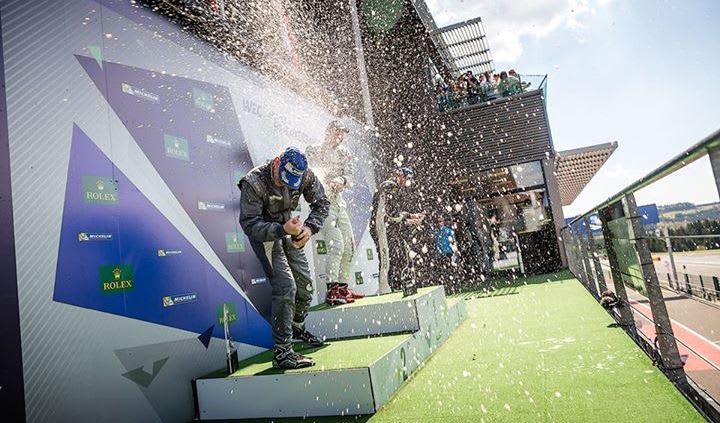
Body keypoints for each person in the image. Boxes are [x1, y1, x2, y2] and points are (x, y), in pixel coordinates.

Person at [238, 147, 330, 369]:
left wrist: (309, 228)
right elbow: (250, 225)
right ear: (277, 162)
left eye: (292, 182)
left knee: (305, 286)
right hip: (266, 236)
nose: (285, 184)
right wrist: (282, 229)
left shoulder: (305, 175)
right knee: (286, 287)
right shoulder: (254, 182)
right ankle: (282, 352)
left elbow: (322, 203)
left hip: (289, 230)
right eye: (283, 179)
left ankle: (297, 329)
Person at [306, 120, 364, 306]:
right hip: (323, 203)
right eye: (337, 132)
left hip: (339, 203)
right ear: (328, 131)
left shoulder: (344, 152)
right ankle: (332, 291)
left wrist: (342, 180)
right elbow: (309, 175)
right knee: (336, 245)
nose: (340, 136)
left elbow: (350, 176)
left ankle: (343, 288)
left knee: (349, 247)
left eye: (342, 133)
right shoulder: (313, 149)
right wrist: (326, 181)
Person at [369, 167, 424, 294]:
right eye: (407, 178)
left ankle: (395, 284)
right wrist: (408, 217)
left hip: (388, 228)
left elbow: (395, 215)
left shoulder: (395, 188)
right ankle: (385, 289)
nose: (408, 182)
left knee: (399, 254)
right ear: (400, 176)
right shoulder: (389, 186)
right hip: (381, 229)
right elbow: (391, 214)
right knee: (386, 258)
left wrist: (410, 217)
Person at [434, 216, 459, 292]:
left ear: (443, 222)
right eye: (437, 222)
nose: (439, 223)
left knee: (451, 269)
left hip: (449, 252)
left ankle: (454, 285)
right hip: (441, 254)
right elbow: (437, 244)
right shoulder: (437, 233)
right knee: (444, 270)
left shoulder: (448, 231)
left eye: (440, 221)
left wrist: (456, 250)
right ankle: (447, 286)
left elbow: (454, 241)